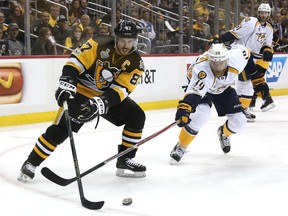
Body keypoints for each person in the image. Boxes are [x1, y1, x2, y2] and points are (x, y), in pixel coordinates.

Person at [17, 21, 146, 183]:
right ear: (116, 38)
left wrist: (98, 103)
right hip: (81, 91)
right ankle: (31, 163)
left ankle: (125, 159)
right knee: (61, 130)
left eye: (130, 41)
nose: (126, 45)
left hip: (106, 96)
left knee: (136, 116)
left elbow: (121, 91)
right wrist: (67, 84)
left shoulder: (136, 62)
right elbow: (75, 62)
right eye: (122, 41)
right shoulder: (99, 43)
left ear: (135, 40)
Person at [170, 43, 249, 163]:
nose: (218, 67)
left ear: (227, 60)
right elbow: (195, 92)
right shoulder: (202, 69)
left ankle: (223, 133)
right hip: (203, 89)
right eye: (214, 64)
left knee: (240, 121)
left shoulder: (237, 58)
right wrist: (185, 109)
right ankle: (181, 146)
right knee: (201, 115)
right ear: (209, 60)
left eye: (221, 63)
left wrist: (254, 75)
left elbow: (246, 51)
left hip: (223, 88)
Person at [212, 3, 275, 117]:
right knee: (248, 83)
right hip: (241, 54)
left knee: (243, 83)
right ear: (258, 12)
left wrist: (267, 50)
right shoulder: (251, 21)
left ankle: (239, 108)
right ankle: (243, 109)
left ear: (269, 14)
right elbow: (236, 33)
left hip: (253, 58)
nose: (263, 15)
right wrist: (220, 39)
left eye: (266, 13)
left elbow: (267, 43)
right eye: (261, 12)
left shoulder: (269, 29)